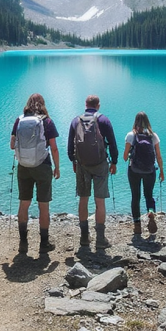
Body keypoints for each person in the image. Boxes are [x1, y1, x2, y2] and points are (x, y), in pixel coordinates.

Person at [9, 93, 61, 254]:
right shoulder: (47, 121)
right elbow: (53, 147)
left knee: (24, 203)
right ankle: (44, 243)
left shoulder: (19, 120)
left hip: (23, 166)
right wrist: (57, 167)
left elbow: (12, 145)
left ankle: (23, 242)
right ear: (42, 104)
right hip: (42, 165)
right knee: (43, 205)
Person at [67, 95, 118, 249]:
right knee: (99, 201)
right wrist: (114, 162)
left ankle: (84, 238)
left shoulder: (75, 121)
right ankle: (100, 239)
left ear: (85, 104)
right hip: (100, 164)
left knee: (84, 199)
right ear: (98, 105)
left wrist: (73, 161)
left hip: (82, 165)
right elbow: (113, 143)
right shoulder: (104, 120)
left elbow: (70, 145)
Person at [122, 112, 165, 237]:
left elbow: (125, 157)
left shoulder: (131, 136)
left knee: (135, 197)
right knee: (149, 195)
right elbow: (159, 156)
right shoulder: (153, 136)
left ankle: (137, 226)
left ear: (135, 121)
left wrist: (130, 152)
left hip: (134, 170)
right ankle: (151, 212)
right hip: (150, 171)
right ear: (147, 122)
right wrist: (161, 171)